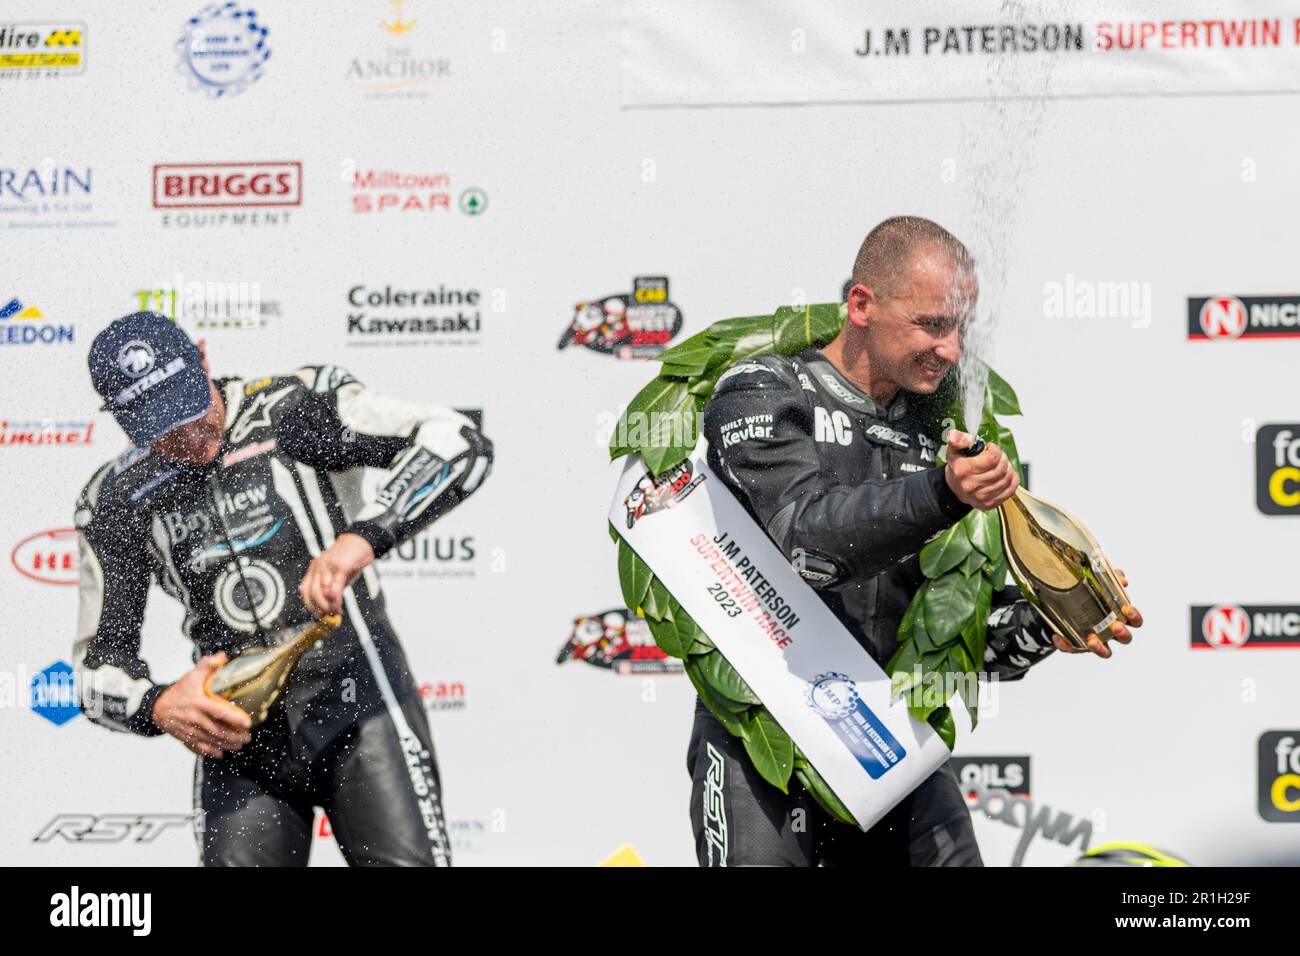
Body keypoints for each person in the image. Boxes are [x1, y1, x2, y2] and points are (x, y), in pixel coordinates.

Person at [693, 216, 1143, 866]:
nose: (954, 349)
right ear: (862, 305)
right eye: (933, 324)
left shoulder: (946, 433)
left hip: (890, 744)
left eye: (962, 327)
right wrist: (943, 494)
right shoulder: (762, 391)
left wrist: (1051, 623)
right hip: (762, 741)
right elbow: (804, 541)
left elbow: (956, 644)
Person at [73, 311, 492, 866]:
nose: (189, 436)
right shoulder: (116, 500)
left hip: (358, 706)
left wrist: (363, 537)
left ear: (202, 360)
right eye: (162, 426)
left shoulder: (293, 407)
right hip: (238, 738)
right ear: (121, 420)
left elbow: (459, 442)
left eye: (191, 408)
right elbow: (96, 673)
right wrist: (158, 705)